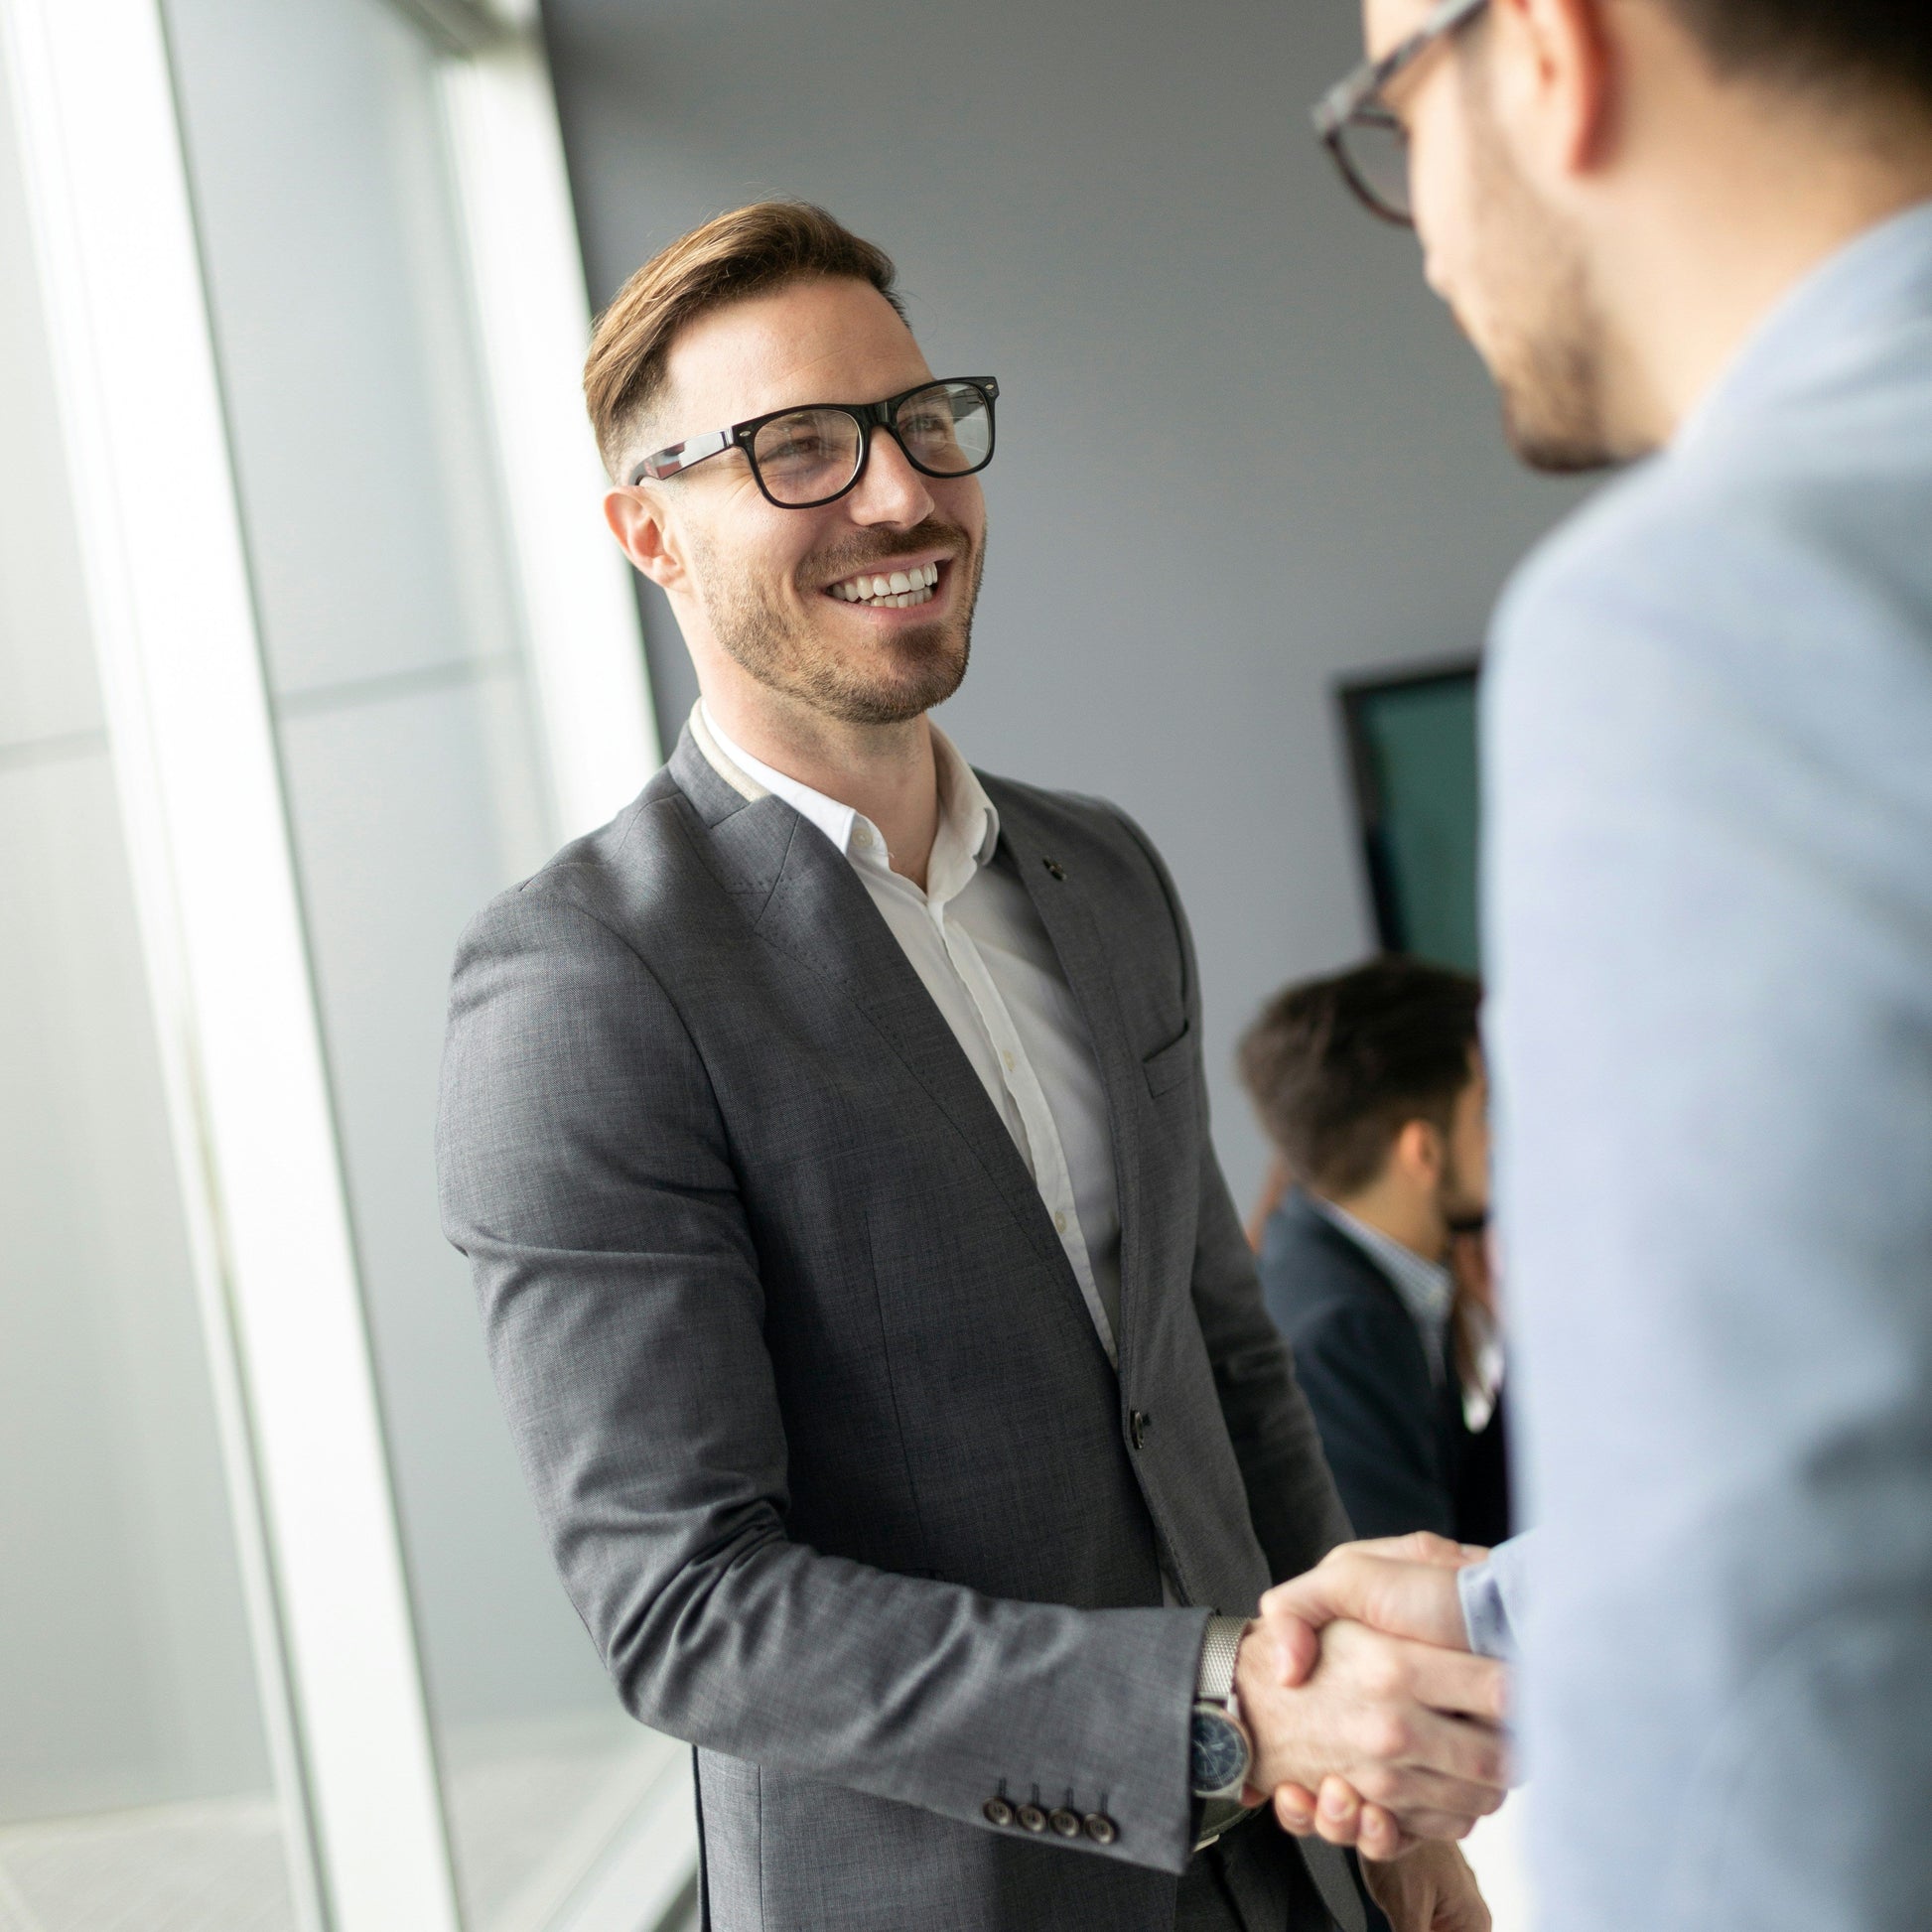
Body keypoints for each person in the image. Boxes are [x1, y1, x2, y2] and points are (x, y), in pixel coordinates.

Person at [435, 202, 1505, 1932]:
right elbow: (686, 1608)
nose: (897, 493)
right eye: (796, 450)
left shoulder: (1105, 877)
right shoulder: (583, 982)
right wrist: (1219, 1713)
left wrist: (1376, 1805)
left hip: (1291, 1884)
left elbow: (1224, 1371)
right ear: (652, 534)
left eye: (921, 422)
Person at [1266, 3, 1932, 1925]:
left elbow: (1775, 1684)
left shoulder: (1712, 613)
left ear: (1550, 50)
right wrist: (1504, 1613)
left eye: (1387, 112)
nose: (1419, 225)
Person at [1239, 960, 1510, 1548]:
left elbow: (1460, 1509)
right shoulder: (1341, 1331)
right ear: (1422, 1151)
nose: (1505, 1133)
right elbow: (1436, 1593)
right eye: (1485, 1108)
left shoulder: (1351, 1263)